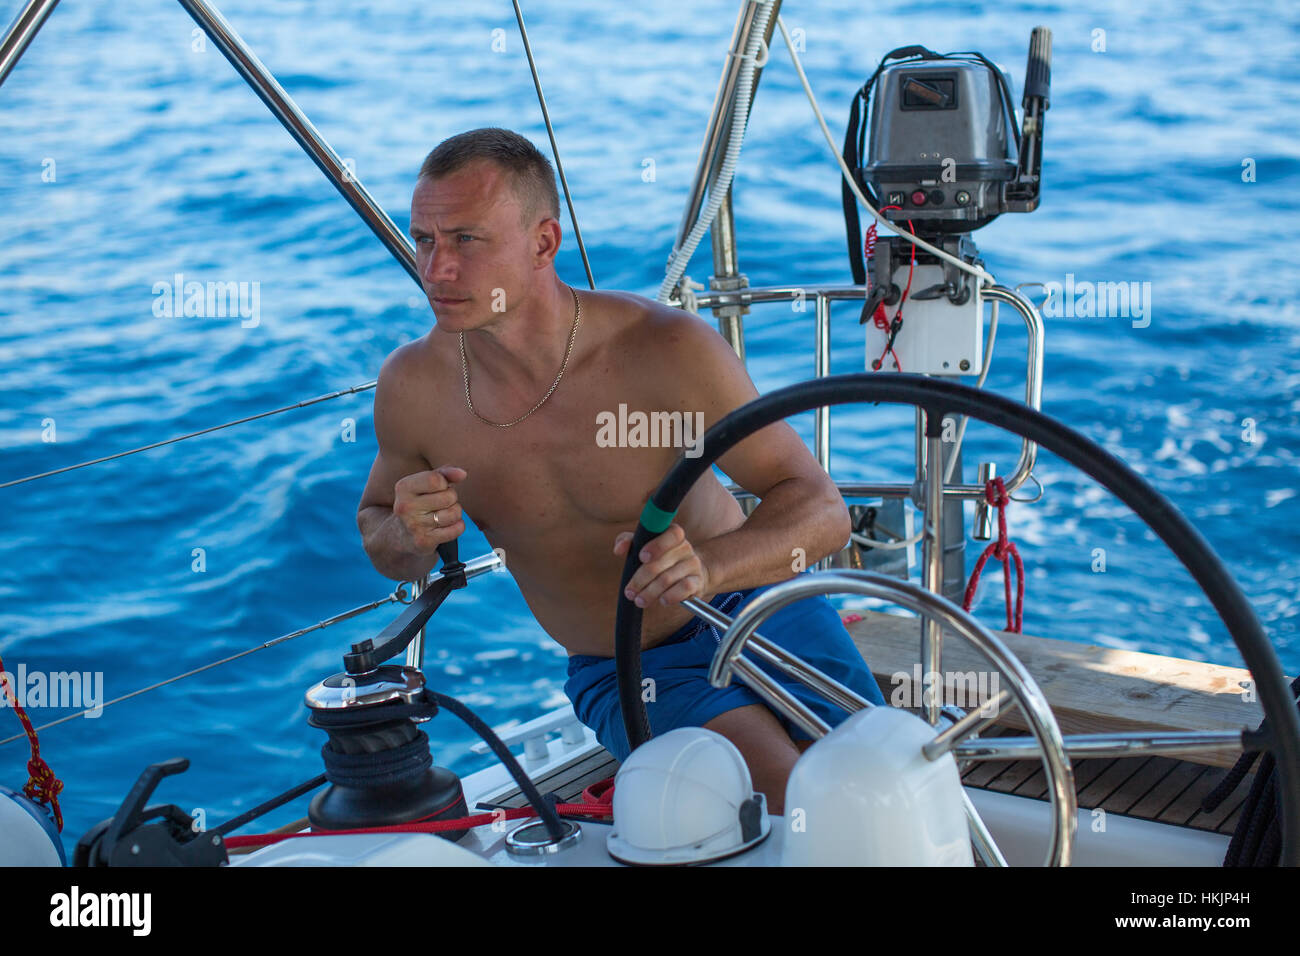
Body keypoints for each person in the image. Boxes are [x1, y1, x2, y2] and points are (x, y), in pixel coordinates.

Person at [356, 127, 884, 813]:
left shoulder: (665, 349)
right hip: (631, 667)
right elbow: (386, 548)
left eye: (465, 240)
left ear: (544, 243)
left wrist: (711, 567)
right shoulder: (413, 388)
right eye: (424, 240)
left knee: (889, 790)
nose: (436, 269)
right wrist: (406, 532)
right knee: (795, 804)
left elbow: (820, 510)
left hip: (761, 610)